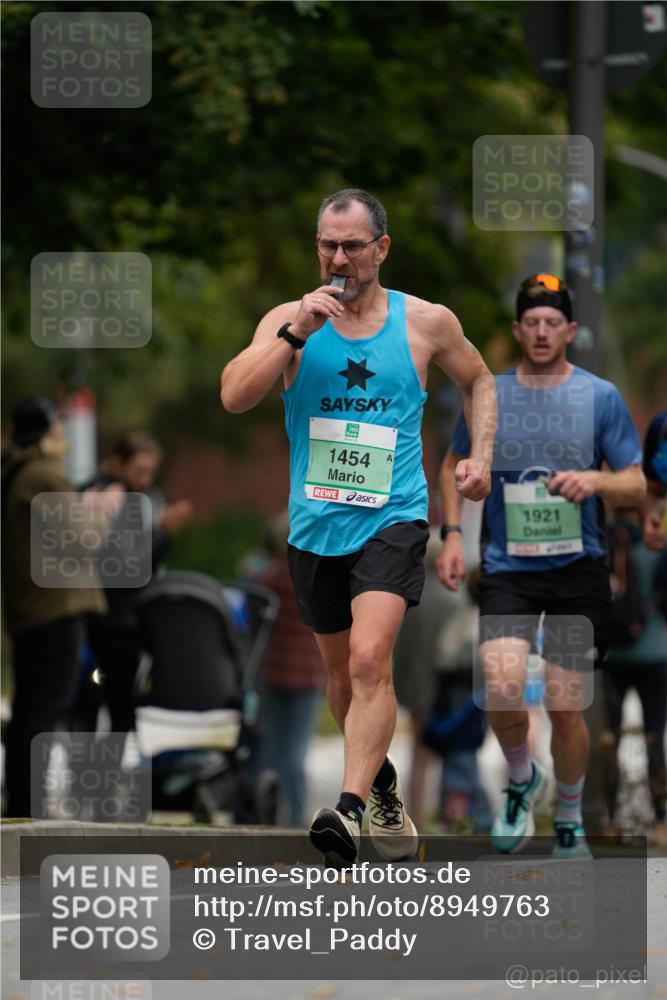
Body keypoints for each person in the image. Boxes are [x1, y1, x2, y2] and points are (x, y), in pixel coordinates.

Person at [221, 188, 496, 865]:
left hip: (394, 518)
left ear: (380, 247)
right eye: (327, 245)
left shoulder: (424, 322)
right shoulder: (291, 320)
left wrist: (479, 456)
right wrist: (293, 334)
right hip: (315, 526)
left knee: (372, 659)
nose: (338, 258)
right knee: (342, 682)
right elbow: (233, 395)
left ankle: (345, 812)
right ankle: (381, 789)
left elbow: (481, 380)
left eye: (351, 245)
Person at [437, 273, 645, 858]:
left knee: (564, 702)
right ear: (516, 330)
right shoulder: (491, 395)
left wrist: (595, 479)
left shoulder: (599, 396)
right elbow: (453, 463)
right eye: (531, 322)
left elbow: (634, 482)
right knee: (500, 684)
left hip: (579, 568)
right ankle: (523, 777)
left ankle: (571, 819)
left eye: (553, 322)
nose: (541, 331)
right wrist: (453, 537)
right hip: (508, 567)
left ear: (570, 331)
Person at [1, 397, 122, 816]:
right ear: (50, 432)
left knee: (29, 707)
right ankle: (28, 803)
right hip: (54, 607)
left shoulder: (15, 471)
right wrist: (102, 513)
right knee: (45, 707)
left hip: (29, 608)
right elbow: (84, 541)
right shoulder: (44, 475)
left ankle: (22, 801)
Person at [76, 432, 193, 736]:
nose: (145, 479)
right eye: (139, 470)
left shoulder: (124, 494)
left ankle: (101, 776)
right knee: (104, 704)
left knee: (114, 708)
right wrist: (163, 532)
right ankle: (94, 777)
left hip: (117, 618)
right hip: (109, 619)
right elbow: (129, 564)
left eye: (150, 472)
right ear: (118, 464)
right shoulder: (109, 499)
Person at [248, 512, 327, 827]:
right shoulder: (314, 577)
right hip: (308, 675)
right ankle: (294, 817)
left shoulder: (268, 580)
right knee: (296, 751)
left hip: (272, 673)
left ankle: (263, 813)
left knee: (271, 747)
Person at [603, 512, 667, 847]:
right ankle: (660, 821)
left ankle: (612, 820)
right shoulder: (657, 546)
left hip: (612, 655)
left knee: (610, 737)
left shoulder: (606, 540)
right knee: (655, 736)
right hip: (656, 653)